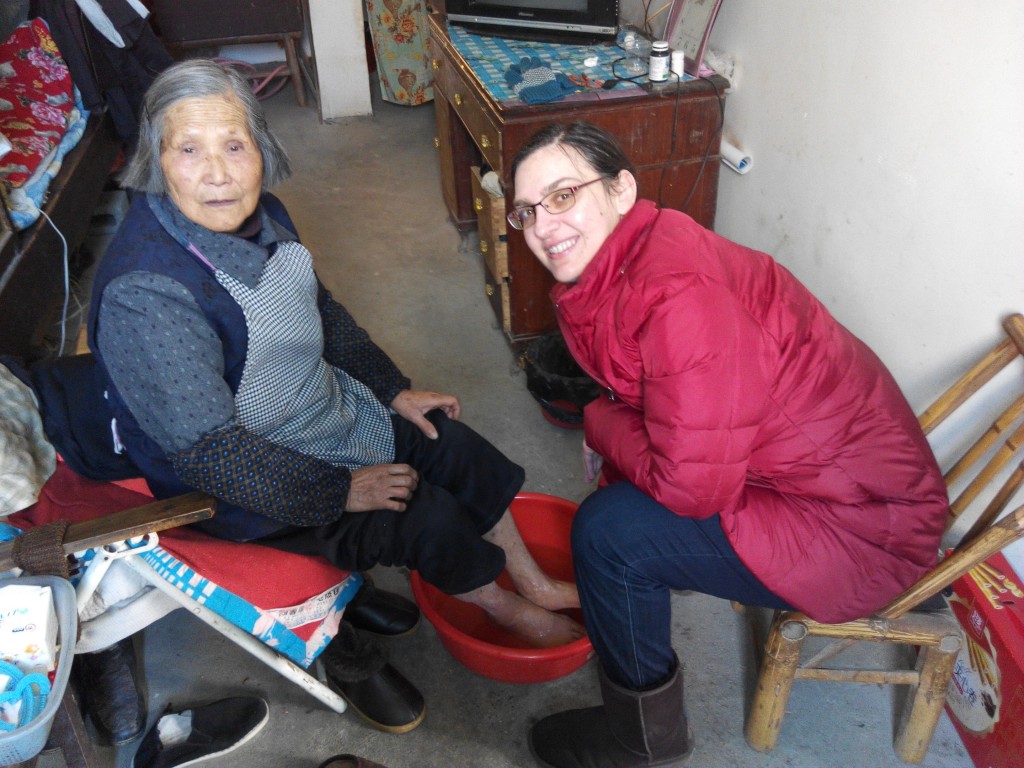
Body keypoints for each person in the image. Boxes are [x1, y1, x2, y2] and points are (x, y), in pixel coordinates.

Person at [85, 59, 582, 734]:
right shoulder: (147, 292)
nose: (219, 174)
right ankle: (496, 608)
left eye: (234, 145)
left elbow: (318, 309)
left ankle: (532, 580)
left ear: (262, 148)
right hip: (241, 476)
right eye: (189, 150)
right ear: (156, 159)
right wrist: (340, 491)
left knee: (453, 446)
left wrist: (392, 389)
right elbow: (209, 454)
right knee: (423, 513)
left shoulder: (264, 214)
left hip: (318, 410)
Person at [507, 121, 948, 768]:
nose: (544, 226)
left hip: (862, 532)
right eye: (527, 211)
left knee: (607, 534)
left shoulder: (679, 292)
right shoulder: (636, 256)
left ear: (622, 190)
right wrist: (615, 427)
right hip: (816, 484)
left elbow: (691, 488)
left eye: (564, 195)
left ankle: (641, 741)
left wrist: (600, 422)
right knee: (623, 502)